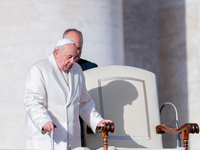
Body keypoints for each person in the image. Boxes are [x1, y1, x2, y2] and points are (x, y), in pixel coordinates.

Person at [24, 38, 111, 150]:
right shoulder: (39, 69)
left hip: (72, 141)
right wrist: (43, 120)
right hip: (47, 140)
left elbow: (84, 102)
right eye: (69, 57)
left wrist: (98, 121)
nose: (72, 61)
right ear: (56, 53)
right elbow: (33, 101)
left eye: (74, 58)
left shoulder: (78, 70)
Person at [63, 29, 98, 146]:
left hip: (83, 130)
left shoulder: (91, 69)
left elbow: (90, 100)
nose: (76, 52)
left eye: (79, 48)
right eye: (73, 47)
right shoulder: (49, 68)